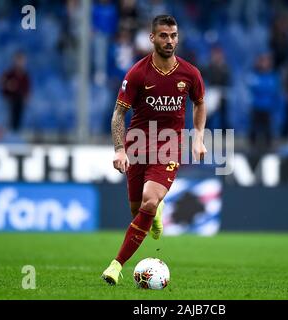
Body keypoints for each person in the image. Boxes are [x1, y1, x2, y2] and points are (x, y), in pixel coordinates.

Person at [101, 15, 207, 285]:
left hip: (170, 145)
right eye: (163, 36)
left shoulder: (190, 73)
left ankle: (116, 265)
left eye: (173, 36)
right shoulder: (137, 73)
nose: (169, 41)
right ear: (152, 38)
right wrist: (119, 149)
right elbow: (118, 115)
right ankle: (155, 209)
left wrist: (197, 138)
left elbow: (199, 104)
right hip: (137, 144)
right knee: (139, 210)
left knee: (148, 200)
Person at [0, 51, 31, 132]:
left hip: (20, 102)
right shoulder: (9, 74)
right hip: (10, 101)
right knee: (10, 120)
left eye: (22, 60)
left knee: (18, 122)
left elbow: (27, 90)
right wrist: (8, 85)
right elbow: (1, 83)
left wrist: (26, 97)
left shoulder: (25, 75)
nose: (21, 62)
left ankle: (16, 132)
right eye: (19, 60)